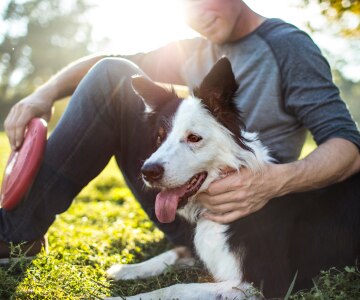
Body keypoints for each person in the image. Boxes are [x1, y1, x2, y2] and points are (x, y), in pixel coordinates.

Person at [1, 0, 360, 261]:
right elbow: (100, 64)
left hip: (250, 219)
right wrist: (42, 94)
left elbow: (348, 145)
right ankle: (18, 233)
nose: (197, 16)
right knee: (112, 73)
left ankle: (12, 234)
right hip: (181, 205)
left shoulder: (288, 47)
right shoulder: (191, 49)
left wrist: (273, 181)